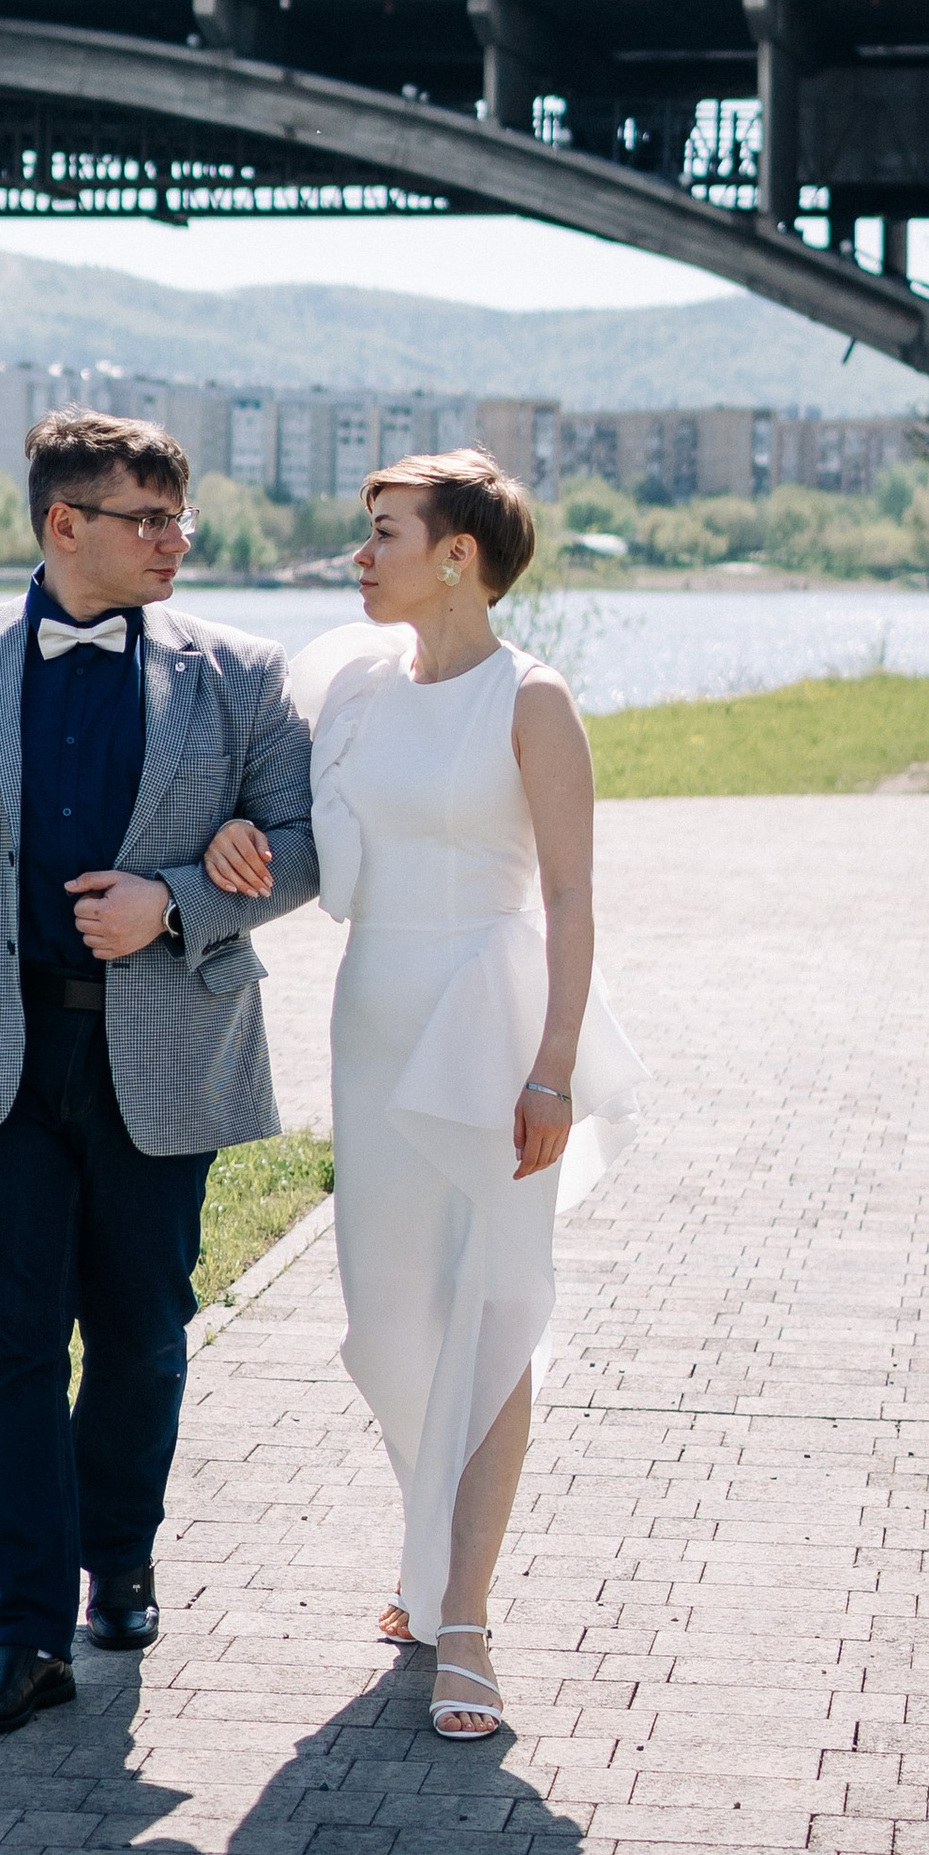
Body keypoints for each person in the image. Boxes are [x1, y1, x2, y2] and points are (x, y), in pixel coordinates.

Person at [0, 407, 321, 1738]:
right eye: (146, 521)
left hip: (166, 1052)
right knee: (4, 1348)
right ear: (63, 526)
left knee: (145, 1338)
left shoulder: (244, 675)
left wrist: (171, 901)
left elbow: (306, 847)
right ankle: (23, 1631)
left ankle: (123, 1550)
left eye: (179, 519)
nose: (175, 542)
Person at [203, 448, 643, 1740]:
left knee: (491, 1313)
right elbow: (319, 856)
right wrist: (242, 846)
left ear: (459, 555)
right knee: (386, 1329)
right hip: (371, 1019)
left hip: (490, 1020)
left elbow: (570, 898)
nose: (361, 551)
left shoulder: (533, 698)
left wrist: (554, 1064)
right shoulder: (351, 688)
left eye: (384, 531)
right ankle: (428, 1558)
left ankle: (466, 1621)